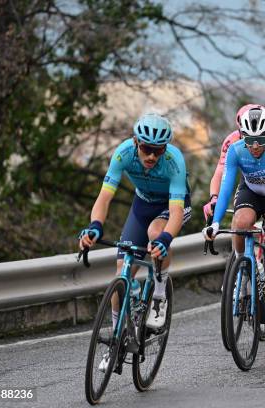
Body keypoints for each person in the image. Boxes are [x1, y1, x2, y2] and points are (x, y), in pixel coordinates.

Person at [78, 112, 191, 343]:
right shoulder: (123, 154)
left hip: (172, 207)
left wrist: (165, 239)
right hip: (142, 205)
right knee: (121, 277)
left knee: (155, 233)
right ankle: (118, 337)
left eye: (158, 150)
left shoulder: (174, 160)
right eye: (147, 148)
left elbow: (177, 213)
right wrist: (95, 226)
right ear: (136, 142)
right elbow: (104, 198)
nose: (151, 156)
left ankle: (159, 294)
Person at [203, 106, 265, 346]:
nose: (254, 146)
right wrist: (214, 223)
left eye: (260, 140)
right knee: (241, 223)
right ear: (241, 135)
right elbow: (225, 189)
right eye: (250, 140)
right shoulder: (235, 149)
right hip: (251, 192)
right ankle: (242, 269)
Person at [203, 104, 265, 219]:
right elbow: (220, 172)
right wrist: (214, 197)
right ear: (240, 130)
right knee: (240, 222)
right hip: (249, 181)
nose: (255, 145)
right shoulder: (232, 141)